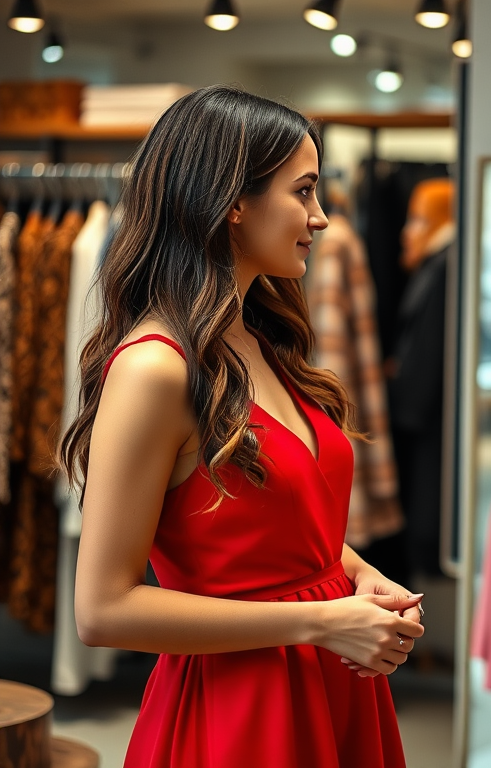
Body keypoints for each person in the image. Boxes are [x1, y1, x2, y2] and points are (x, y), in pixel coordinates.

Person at [59, 85, 424, 768]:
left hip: (329, 684)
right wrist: (321, 621)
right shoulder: (155, 370)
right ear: (233, 202)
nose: (320, 218)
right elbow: (102, 610)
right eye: (304, 192)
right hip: (238, 712)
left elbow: (276, 527)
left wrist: (355, 572)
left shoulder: (260, 339)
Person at [387, 178, 454, 578]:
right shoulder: (438, 264)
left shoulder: (443, 266)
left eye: (417, 219)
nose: (406, 231)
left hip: (428, 422)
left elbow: (427, 349)